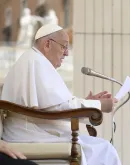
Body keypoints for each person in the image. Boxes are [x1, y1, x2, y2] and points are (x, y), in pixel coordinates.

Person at [1, 24, 121, 165]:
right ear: (47, 44)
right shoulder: (37, 62)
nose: (67, 53)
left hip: (31, 130)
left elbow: (54, 103)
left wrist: (87, 103)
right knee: (104, 149)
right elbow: (58, 106)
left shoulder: (32, 60)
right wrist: (98, 105)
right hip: (31, 134)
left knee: (101, 147)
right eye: (64, 46)